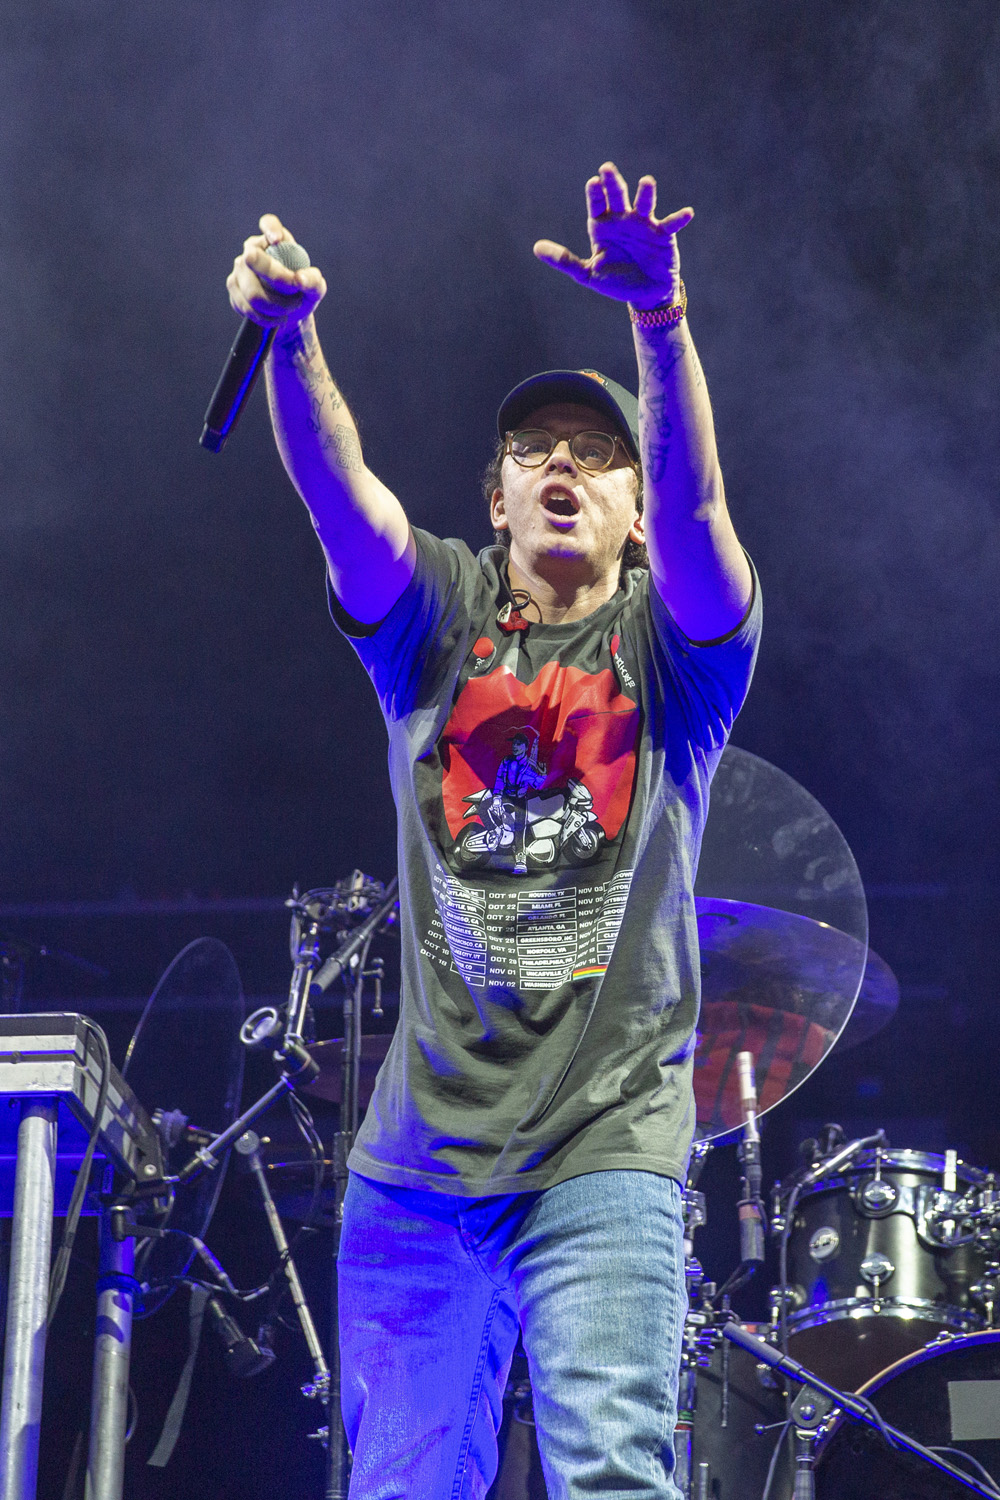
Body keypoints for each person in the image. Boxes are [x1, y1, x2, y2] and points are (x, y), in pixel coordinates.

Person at [227, 162, 760, 1500]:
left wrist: (661, 326)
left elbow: (704, 515)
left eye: (598, 452)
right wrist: (292, 341)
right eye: (537, 452)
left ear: (631, 516)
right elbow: (340, 494)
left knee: (612, 1480)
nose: (567, 463)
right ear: (501, 501)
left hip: (603, 1149)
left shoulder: (670, 649)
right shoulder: (441, 620)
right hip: (414, 1176)